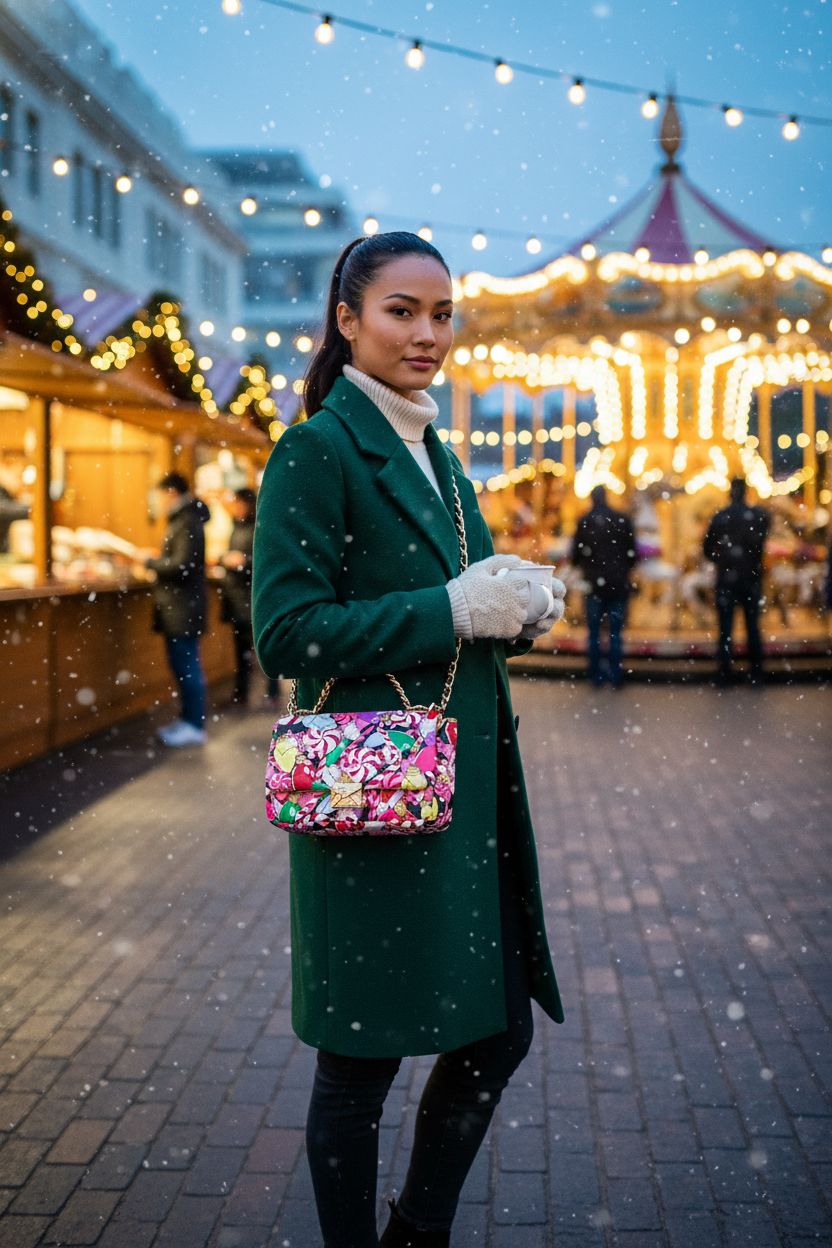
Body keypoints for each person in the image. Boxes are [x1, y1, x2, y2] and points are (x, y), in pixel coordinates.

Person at [252, 231, 566, 1248]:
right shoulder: (317, 449)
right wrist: (448, 608)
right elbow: (287, 631)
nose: (427, 334)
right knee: (359, 1062)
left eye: (441, 314)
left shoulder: (433, 449)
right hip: (379, 798)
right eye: (402, 311)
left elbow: (454, 603)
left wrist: (512, 606)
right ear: (347, 318)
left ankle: (415, 1232)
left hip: (459, 802)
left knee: (499, 1030)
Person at [146, 472, 210, 746]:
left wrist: (150, 562)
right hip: (182, 606)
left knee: (186, 665)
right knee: (184, 663)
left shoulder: (186, 521)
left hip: (182, 607)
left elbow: (181, 565)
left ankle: (193, 724)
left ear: (171, 492)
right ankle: (189, 721)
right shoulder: (188, 519)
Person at [703, 477, 770, 685]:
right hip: (750, 578)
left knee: (725, 628)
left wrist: (722, 560)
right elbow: (760, 544)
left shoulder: (720, 517)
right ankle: (756, 672)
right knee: (752, 627)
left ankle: (724, 672)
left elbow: (707, 548)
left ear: (730, 492)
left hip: (727, 579)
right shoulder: (757, 516)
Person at [570, 484, 637, 688]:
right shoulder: (622, 519)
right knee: (616, 632)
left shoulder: (584, 521)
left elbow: (576, 555)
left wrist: (588, 567)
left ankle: (595, 675)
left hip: (594, 585)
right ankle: (616, 674)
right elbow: (632, 553)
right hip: (617, 583)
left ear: (592, 498)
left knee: (594, 631)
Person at [219, 486, 278, 706]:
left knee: (260, 648)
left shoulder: (258, 528)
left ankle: (271, 693)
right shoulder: (237, 527)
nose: (235, 507)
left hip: (252, 599)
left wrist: (244, 562)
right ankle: (241, 692)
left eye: (238, 503)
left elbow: (266, 562)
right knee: (241, 652)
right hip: (237, 598)